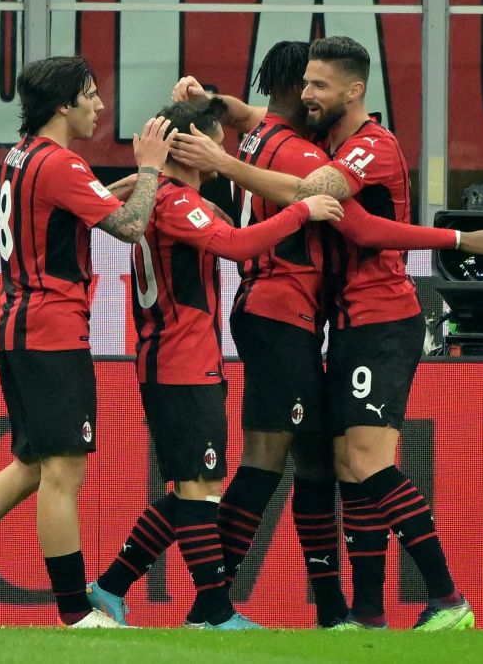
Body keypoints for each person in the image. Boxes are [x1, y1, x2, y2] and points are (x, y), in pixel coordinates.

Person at [171, 36, 483, 630]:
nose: (309, 95)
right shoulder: (316, 137)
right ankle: (362, 613)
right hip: (338, 321)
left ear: (353, 91)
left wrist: (224, 163)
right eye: (303, 84)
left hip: (380, 320)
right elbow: (255, 117)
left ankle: (445, 598)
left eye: (320, 86)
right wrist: (213, 101)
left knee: (359, 464)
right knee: (338, 466)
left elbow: (351, 222)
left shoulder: (367, 148)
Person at [0, 55, 176, 629]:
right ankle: (76, 614)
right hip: (51, 330)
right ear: (64, 105)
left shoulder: (22, 156)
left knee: (29, 465)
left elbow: (83, 199)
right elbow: (129, 226)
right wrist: (150, 169)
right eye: (92, 96)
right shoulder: (60, 164)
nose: (100, 106)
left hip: (20, 325)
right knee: (64, 473)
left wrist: (137, 181)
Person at [83, 98, 344, 629]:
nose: (218, 151)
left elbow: (219, 227)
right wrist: (302, 210)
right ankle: (214, 610)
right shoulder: (174, 202)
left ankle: (111, 586)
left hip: (181, 360)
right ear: (190, 148)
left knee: (191, 489)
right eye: (212, 144)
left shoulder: (166, 198)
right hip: (180, 363)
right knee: (199, 491)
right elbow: (234, 244)